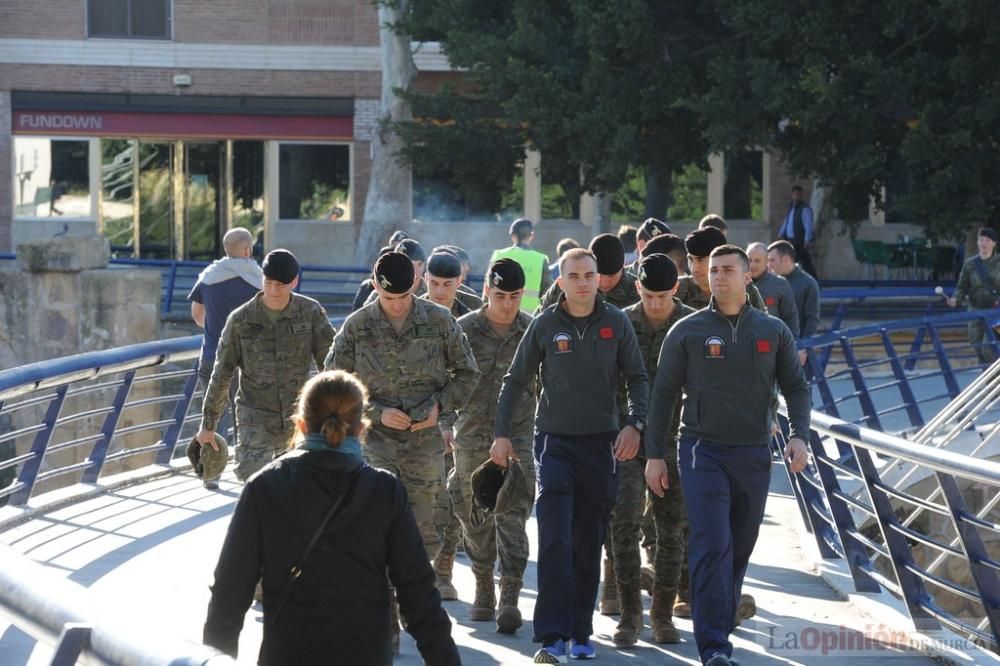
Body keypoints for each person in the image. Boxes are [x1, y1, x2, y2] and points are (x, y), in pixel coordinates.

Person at [203, 370, 460, 666]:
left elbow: (228, 596)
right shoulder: (385, 491)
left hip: (288, 656)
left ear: (300, 424)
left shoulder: (264, 487)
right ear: (362, 428)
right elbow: (419, 597)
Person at [644, 244, 811, 666]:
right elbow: (663, 394)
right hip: (702, 449)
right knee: (710, 541)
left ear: (747, 276)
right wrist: (654, 455)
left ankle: (720, 612)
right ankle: (714, 645)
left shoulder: (773, 332)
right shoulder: (688, 330)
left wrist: (799, 436)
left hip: (754, 452)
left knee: (739, 545)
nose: (717, 276)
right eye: (713, 270)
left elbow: (796, 387)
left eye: (726, 270)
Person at [492, 247, 649, 663]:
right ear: (560, 282)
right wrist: (501, 434)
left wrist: (634, 424)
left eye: (589, 275)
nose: (583, 281)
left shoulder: (616, 323)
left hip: (601, 445)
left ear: (599, 279)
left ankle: (581, 632)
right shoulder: (545, 325)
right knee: (555, 539)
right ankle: (550, 637)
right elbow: (516, 380)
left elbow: (637, 377)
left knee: (586, 541)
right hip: (554, 445)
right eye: (574, 275)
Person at [325, 252, 480, 560]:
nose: (397, 304)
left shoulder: (438, 320)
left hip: (424, 443)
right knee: (374, 521)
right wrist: (376, 413)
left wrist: (440, 407)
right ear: (374, 286)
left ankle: (413, 596)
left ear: (417, 284)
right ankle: (383, 600)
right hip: (374, 441)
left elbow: (468, 373)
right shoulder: (357, 327)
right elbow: (332, 385)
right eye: (388, 296)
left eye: (404, 295)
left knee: (424, 530)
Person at [609, 253, 695, 648]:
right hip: (628, 440)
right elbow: (608, 383)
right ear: (637, 287)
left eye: (663, 295)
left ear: (675, 289)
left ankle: (662, 614)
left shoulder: (694, 325)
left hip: (677, 441)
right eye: (648, 295)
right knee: (623, 524)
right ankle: (630, 614)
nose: (656, 303)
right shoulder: (621, 322)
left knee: (670, 529)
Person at [448, 258, 536, 633]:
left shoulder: (532, 331)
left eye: (515, 296)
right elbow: (442, 379)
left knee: (514, 516)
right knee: (474, 517)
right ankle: (484, 584)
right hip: (471, 438)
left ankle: (510, 597)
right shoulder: (463, 330)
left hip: (517, 439)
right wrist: (441, 424)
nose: (507, 304)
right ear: (486, 291)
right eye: (500, 295)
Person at [197, 249, 335, 482]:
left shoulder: (310, 313)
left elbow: (332, 367)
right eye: (268, 282)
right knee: (252, 483)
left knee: (296, 486)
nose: (272, 290)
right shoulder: (241, 319)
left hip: (298, 416)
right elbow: (222, 373)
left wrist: (338, 415)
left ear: (294, 282)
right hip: (255, 417)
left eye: (280, 285)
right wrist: (208, 424)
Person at [188, 228, 262, 486]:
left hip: (212, 355)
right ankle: (246, 472)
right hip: (247, 360)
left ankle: (211, 473)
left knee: (212, 416)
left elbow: (197, 316)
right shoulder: (258, 280)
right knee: (245, 413)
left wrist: (215, 329)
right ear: (247, 250)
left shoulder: (209, 277)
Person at [538, 234, 639, 312]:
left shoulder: (639, 292)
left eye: (611, 276)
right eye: (598, 274)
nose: (603, 281)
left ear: (622, 268)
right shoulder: (568, 285)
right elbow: (538, 321)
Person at [678, 227, 766, 312]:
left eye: (701, 260)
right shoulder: (678, 289)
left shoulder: (743, 288)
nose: (694, 268)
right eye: (690, 259)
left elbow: (763, 323)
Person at [948, 227, 1000, 363]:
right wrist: (955, 299)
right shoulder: (970, 264)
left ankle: (996, 378)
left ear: (994, 243)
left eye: (987, 240)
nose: (984, 243)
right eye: (981, 240)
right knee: (978, 348)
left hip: (996, 312)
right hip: (975, 311)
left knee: (988, 349)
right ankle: (988, 381)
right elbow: (962, 286)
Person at [768, 240, 821, 363]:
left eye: (772, 260)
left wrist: (803, 348)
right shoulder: (769, 281)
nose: (768, 265)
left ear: (785, 259)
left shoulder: (808, 284)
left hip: (796, 349)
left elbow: (812, 319)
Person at [490, 218, 554, 312]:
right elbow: (548, 293)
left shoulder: (498, 255)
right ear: (531, 235)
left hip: (500, 314)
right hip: (530, 318)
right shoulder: (540, 259)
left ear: (512, 235)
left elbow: (488, 288)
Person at [747, 242, 799, 336]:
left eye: (757, 261)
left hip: (772, 342)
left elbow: (790, 318)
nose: (752, 265)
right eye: (749, 260)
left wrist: (792, 344)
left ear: (767, 261)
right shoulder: (737, 283)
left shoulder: (780, 284)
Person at [423, 250, 481, 317]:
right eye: (434, 283)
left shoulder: (474, 307)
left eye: (447, 284)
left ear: (458, 282)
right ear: (426, 279)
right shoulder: (412, 310)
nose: (440, 292)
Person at [777, 185, 817, 277]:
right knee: (798, 261)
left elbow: (808, 225)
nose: (797, 196)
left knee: (803, 262)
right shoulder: (791, 208)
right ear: (792, 195)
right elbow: (787, 222)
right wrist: (781, 234)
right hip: (790, 240)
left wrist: (807, 240)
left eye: (799, 194)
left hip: (800, 240)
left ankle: (815, 282)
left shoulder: (804, 209)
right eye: (795, 194)